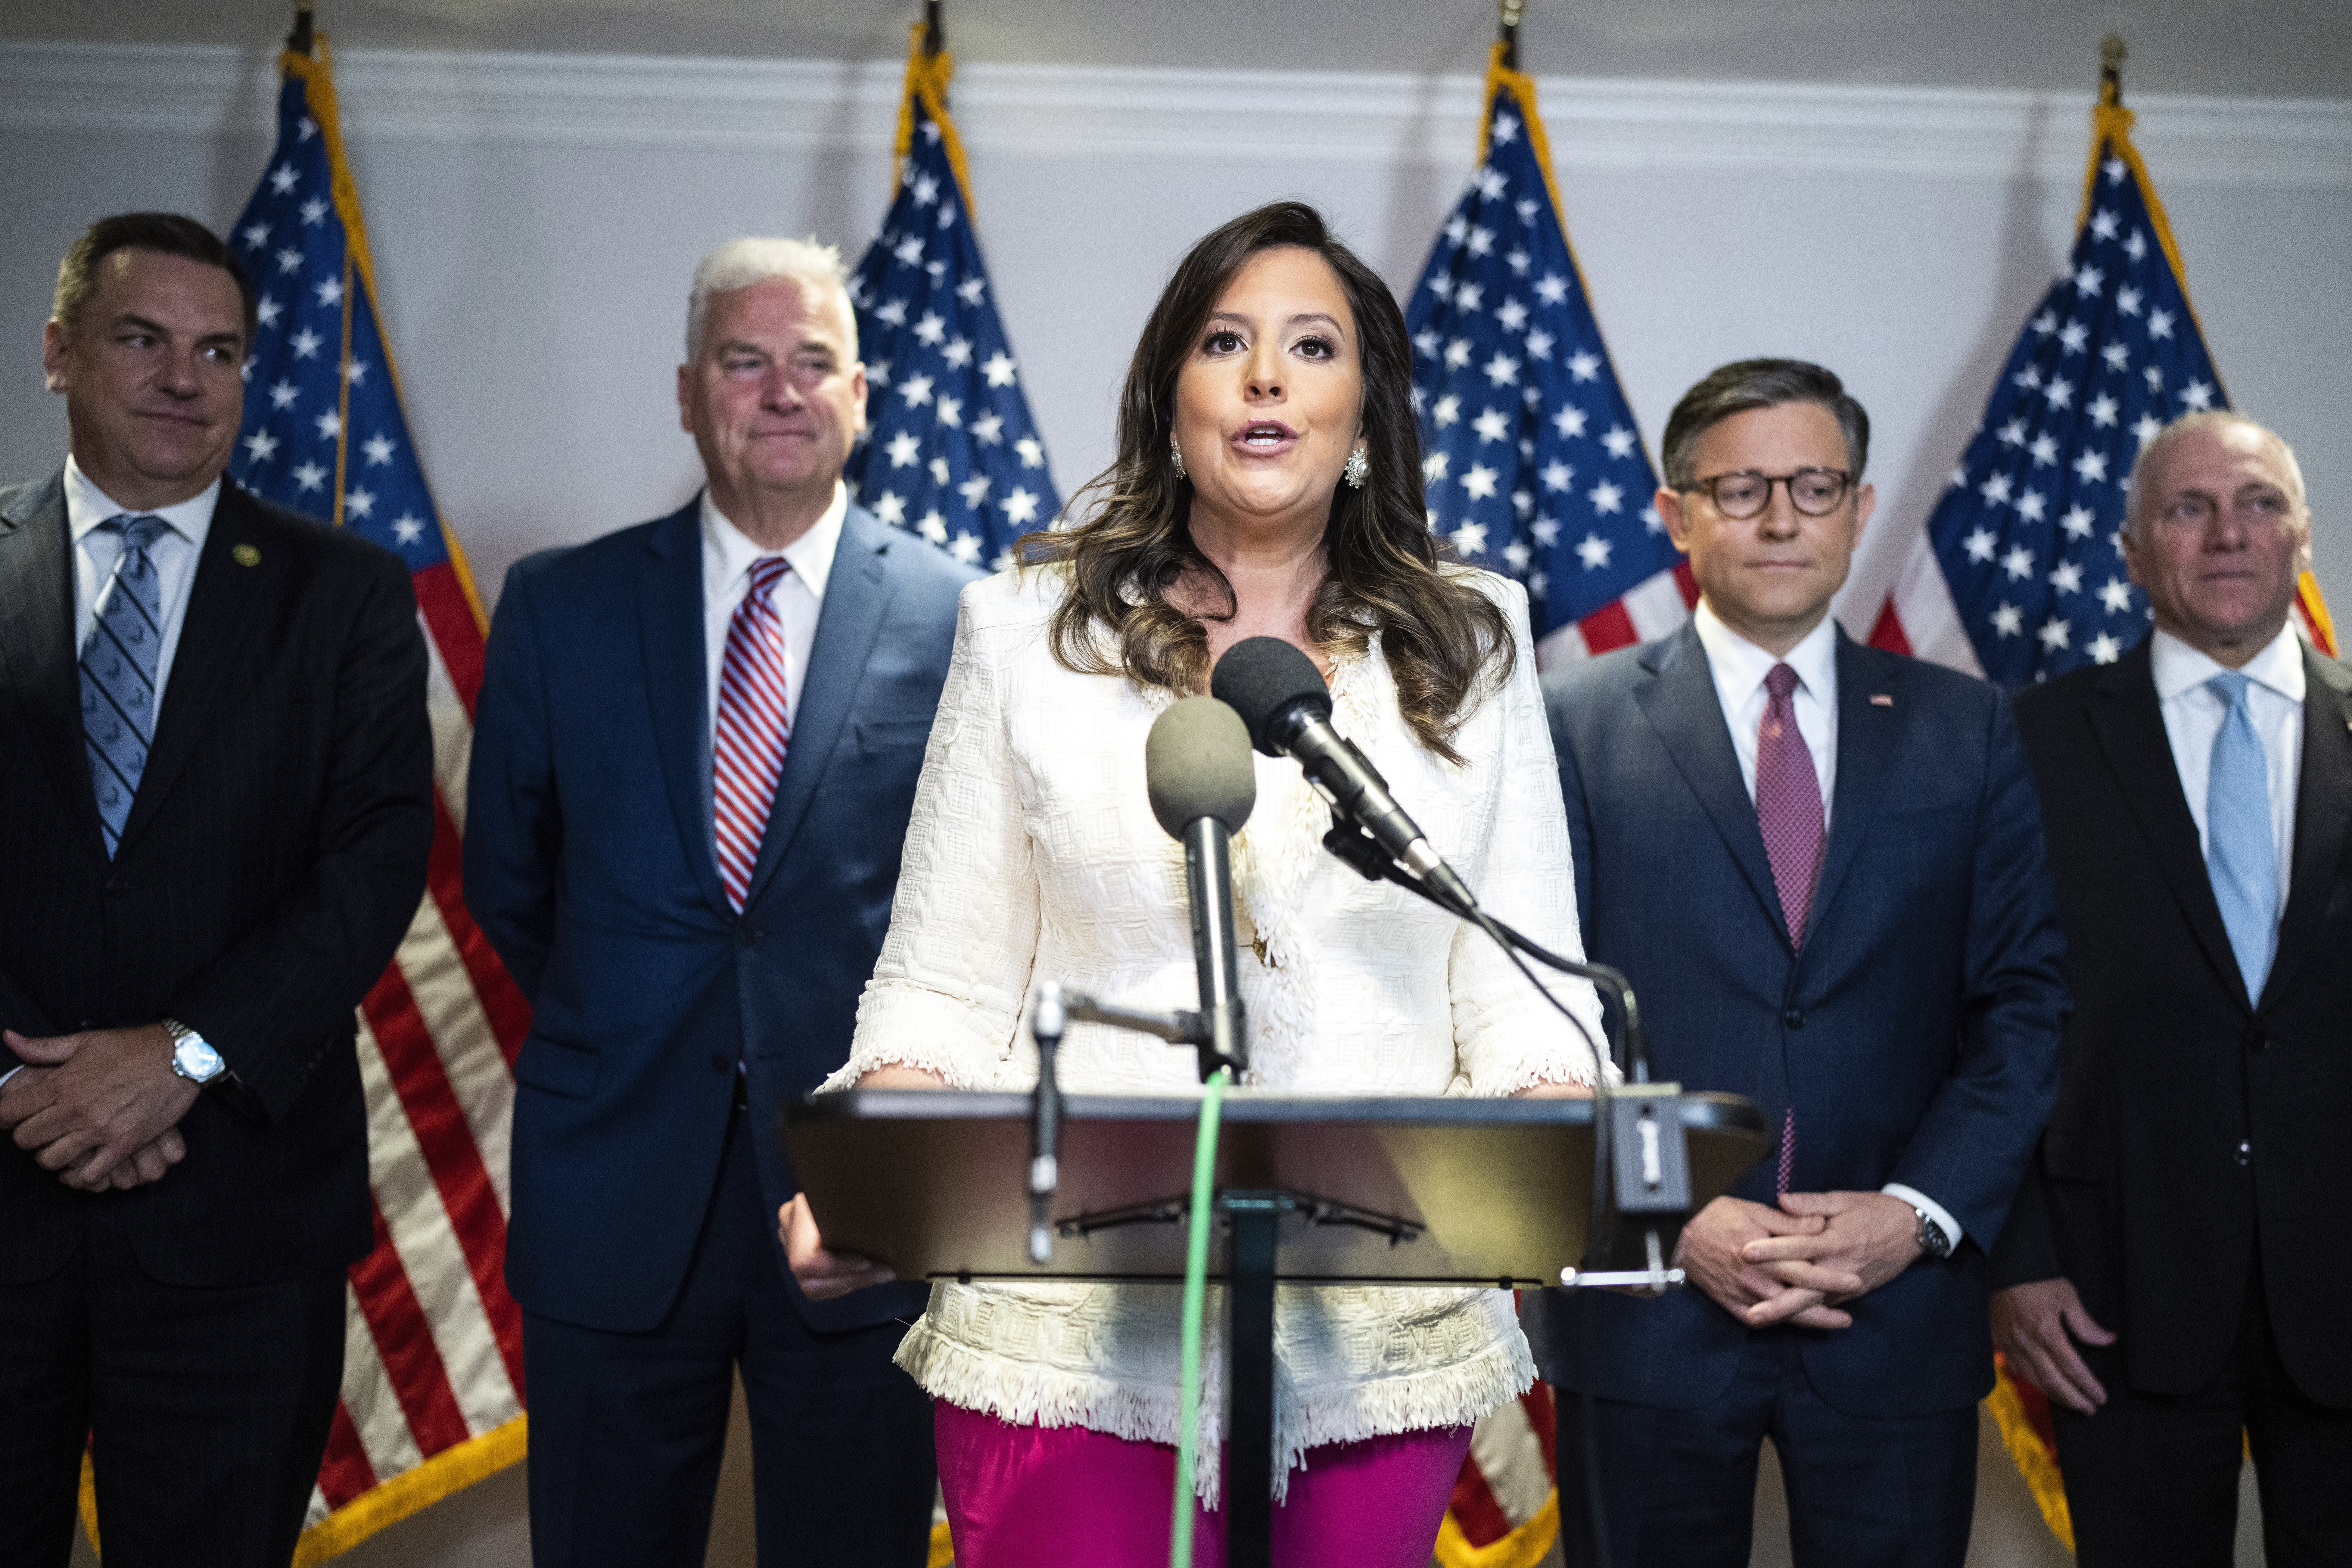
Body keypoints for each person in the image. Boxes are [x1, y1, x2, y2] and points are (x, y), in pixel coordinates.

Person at [780, 200, 1605, 1568]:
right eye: (1226, 342)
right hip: (1065, 1323)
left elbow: (1515, 986)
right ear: (1173, 405)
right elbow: (944, 973)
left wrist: (1550, 1138)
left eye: (1310, 346)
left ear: (1362, 413)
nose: (1266, 374)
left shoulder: (1475, 639)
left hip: (1378, 1324)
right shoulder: (1025, 633)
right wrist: (879, 1169)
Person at [465, 235, 976, 1567]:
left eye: (813, 363)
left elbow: (982, 913)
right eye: (746, 362)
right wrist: (634, 1014)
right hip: (612, 1187)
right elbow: (512, 883)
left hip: (857, 1208)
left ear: (861, 395)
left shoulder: (963, 617)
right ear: (688, 391)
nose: (782, 391)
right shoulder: (557, 605)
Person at [1525, 359, 2068, 1567]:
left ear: (1860, 511)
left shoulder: (1966, 727)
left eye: (1814, 486)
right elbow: (1537, 1013)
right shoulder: (1566, 721)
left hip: (1892, 1311)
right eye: (1742, 488)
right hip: (1648, 1308)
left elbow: (2022, 1003)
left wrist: (1913, 1217)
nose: (1781, 518)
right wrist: (1674, 1214)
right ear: (1675, 515)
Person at [0, 213, 433, 1565]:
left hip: (237, 1226)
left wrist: (182, 1056)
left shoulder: (347, 593)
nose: (185, 377)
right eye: (144, 339)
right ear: (62, 354)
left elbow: (373, 863)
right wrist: (21, 1086)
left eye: (220, 349)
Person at [1987, 412, 2352, 1565]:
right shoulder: (2023, 743)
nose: (2227, 534)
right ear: (2131, 549)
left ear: (2302, 536)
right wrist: (2014, 1256)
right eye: (2187, 510)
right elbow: (1980, 1013)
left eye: (2256, 505)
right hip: (2108, 1292)